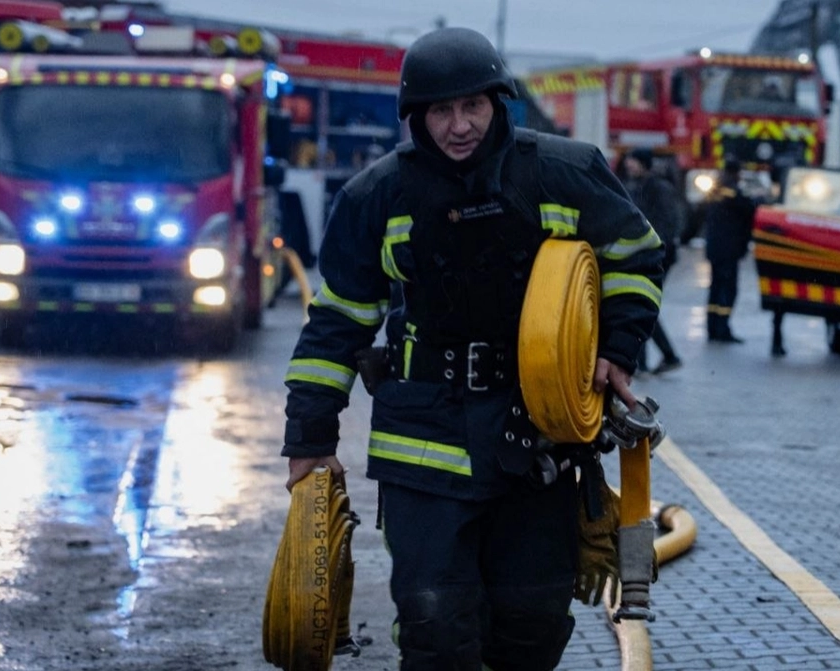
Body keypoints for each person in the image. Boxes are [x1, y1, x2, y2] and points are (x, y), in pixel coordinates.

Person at [280, 27, 664, 671]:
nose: (459, 126)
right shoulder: (377, 198)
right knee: (437, 627)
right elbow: (337, 323)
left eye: (472, 108)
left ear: (498, 105)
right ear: (416, 118)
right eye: (440, 111)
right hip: (423, 443)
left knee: (533, 626)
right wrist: (310, 439)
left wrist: (618, 348)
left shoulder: (563, 175)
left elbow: (635, 254)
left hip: (539, 441)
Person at [620, 148, 683, 374]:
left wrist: (655, 254)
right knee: (642, 305)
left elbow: (666, 224)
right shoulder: (635, 186)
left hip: (655, 256)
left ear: (644, 164)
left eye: (633, 161)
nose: (629, 165)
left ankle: (653, 360)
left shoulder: (658, 188)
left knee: (642, 304)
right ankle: (656, 359)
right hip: (641, 254)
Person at [703, 161, 757, 343]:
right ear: (737, 173)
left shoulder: (714, 190)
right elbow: (750, 210)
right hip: (729, 249)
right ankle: (722, 328)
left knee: (715, 288)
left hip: (714, 247)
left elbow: (700, 213)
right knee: (728, 289)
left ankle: (712, 328)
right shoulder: (734, 192)